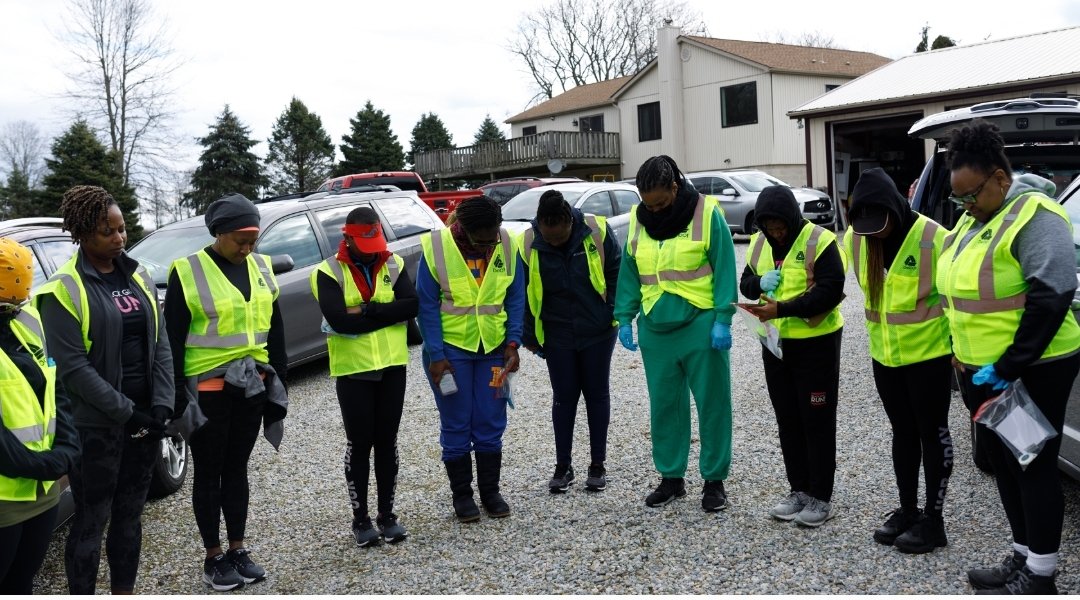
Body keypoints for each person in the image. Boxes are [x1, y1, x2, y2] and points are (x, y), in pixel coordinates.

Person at [939, 120, 1080, 595]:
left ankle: (1041, 575)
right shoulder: (973, 221)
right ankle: (1022, 554)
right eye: (957, 198)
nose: (964, 205)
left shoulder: (1036, 216)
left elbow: (1052, 295)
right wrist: (963, 357)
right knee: (1002, 460)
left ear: (1000, 177)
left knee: (1033, 463)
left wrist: (1009, 366)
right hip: (983, 371)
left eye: (971, 194)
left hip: (1034, 368)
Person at [34, 185, 174, 594]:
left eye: (122, 229)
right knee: (92, 519)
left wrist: (163, 403)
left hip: (146, 418)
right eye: (105, 231)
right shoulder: (63, 289)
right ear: (81, 233)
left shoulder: (138, 275)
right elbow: (73, 368)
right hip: (95, 427)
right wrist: (128, 412)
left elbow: (159, 340)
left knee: (130, 517)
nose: (118, 238)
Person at [164, 193, 288, 592]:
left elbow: (277, 332)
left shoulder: (262, 268)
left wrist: (277, 386)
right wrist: (176, 399)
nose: (248, 248)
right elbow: (172, 339)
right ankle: (213, 556)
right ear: (219, 233)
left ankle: (237, 548)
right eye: (240, 240)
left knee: (237, 469)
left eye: (253, 240)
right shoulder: (189, 270)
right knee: (210, 472)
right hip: (209, 392)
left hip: (252, 386)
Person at [614, 155, 737, 512]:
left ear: (675, 186)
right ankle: (671, 478)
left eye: (661, 201)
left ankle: (714, 481)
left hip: (700, 324)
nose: (654, 209)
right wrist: (624, 316)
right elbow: (630, 270)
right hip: (655, 327)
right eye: (647, 203)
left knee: (712, 404)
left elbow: (725, 266)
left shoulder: (707, 213)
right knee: (665, 406)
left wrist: (723, 318)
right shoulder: (640, 220)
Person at [843, 168, 953, 553]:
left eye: (880, 224)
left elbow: (956, 301)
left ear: (896, 207)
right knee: (902, 434)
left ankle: (933, 521)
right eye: (865, 226)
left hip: (929, 358)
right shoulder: (856, 240)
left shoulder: (934, 238)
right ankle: (908, 510)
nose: (874, 233)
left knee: (932, 434)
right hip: (885, 358)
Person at [739, 185, 846, 528]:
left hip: (816, 344)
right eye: (768, 227)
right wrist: (757, 283)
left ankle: (821, 497)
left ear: (792, 218)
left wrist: (782, 308)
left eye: (780, 226)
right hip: (775, 346)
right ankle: (798, 489)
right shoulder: (758, 243)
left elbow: (831, 292)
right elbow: (746, 283)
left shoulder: (820, 240)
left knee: (816, 419)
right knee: (788, 419)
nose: (775, 232)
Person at [311, 206, 418, 547]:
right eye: (365, 246)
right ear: (348, 238)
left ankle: (388, 515)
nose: (373, 254)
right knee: (360, 444)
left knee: (387, 441)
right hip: (353, 370)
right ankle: (361, 520)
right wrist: (389, 312)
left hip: (391, 366)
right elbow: (341, 322)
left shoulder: (393, 262)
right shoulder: (327, 272)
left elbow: (412, 306)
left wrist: (368, 309)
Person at [416, 195, 525, 523]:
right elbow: (427, 306)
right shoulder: (436, 248)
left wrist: (514, 342)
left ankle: (490, 491)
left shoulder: (506, 244)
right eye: (482, 240)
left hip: (494, 349)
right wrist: (436, 355)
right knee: (457, 423)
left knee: (491, 421)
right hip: (451, 354)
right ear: (464, 229)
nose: (488, 245)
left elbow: (516, 296)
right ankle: (462, 495)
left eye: (493, 237)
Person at [519, 190, 621, 493]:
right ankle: (563, 467)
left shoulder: (597, 230)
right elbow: (521, 291)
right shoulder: (527, 242)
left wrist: (611, 310)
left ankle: (597, 465)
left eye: (559, 238)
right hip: (557, 333)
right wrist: (529, 336)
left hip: (598, 330)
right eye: (548, 239)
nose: (553, 243)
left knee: (596, 394)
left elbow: (616, 270)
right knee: (563, 398)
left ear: (569, 222)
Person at [0, 238, 81, 595]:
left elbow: (55, 386)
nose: (15, 309)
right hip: (6, 499)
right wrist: (51, 464)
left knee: (23, 582)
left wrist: (67, 446)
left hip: (43, 491)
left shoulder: (26, 319)